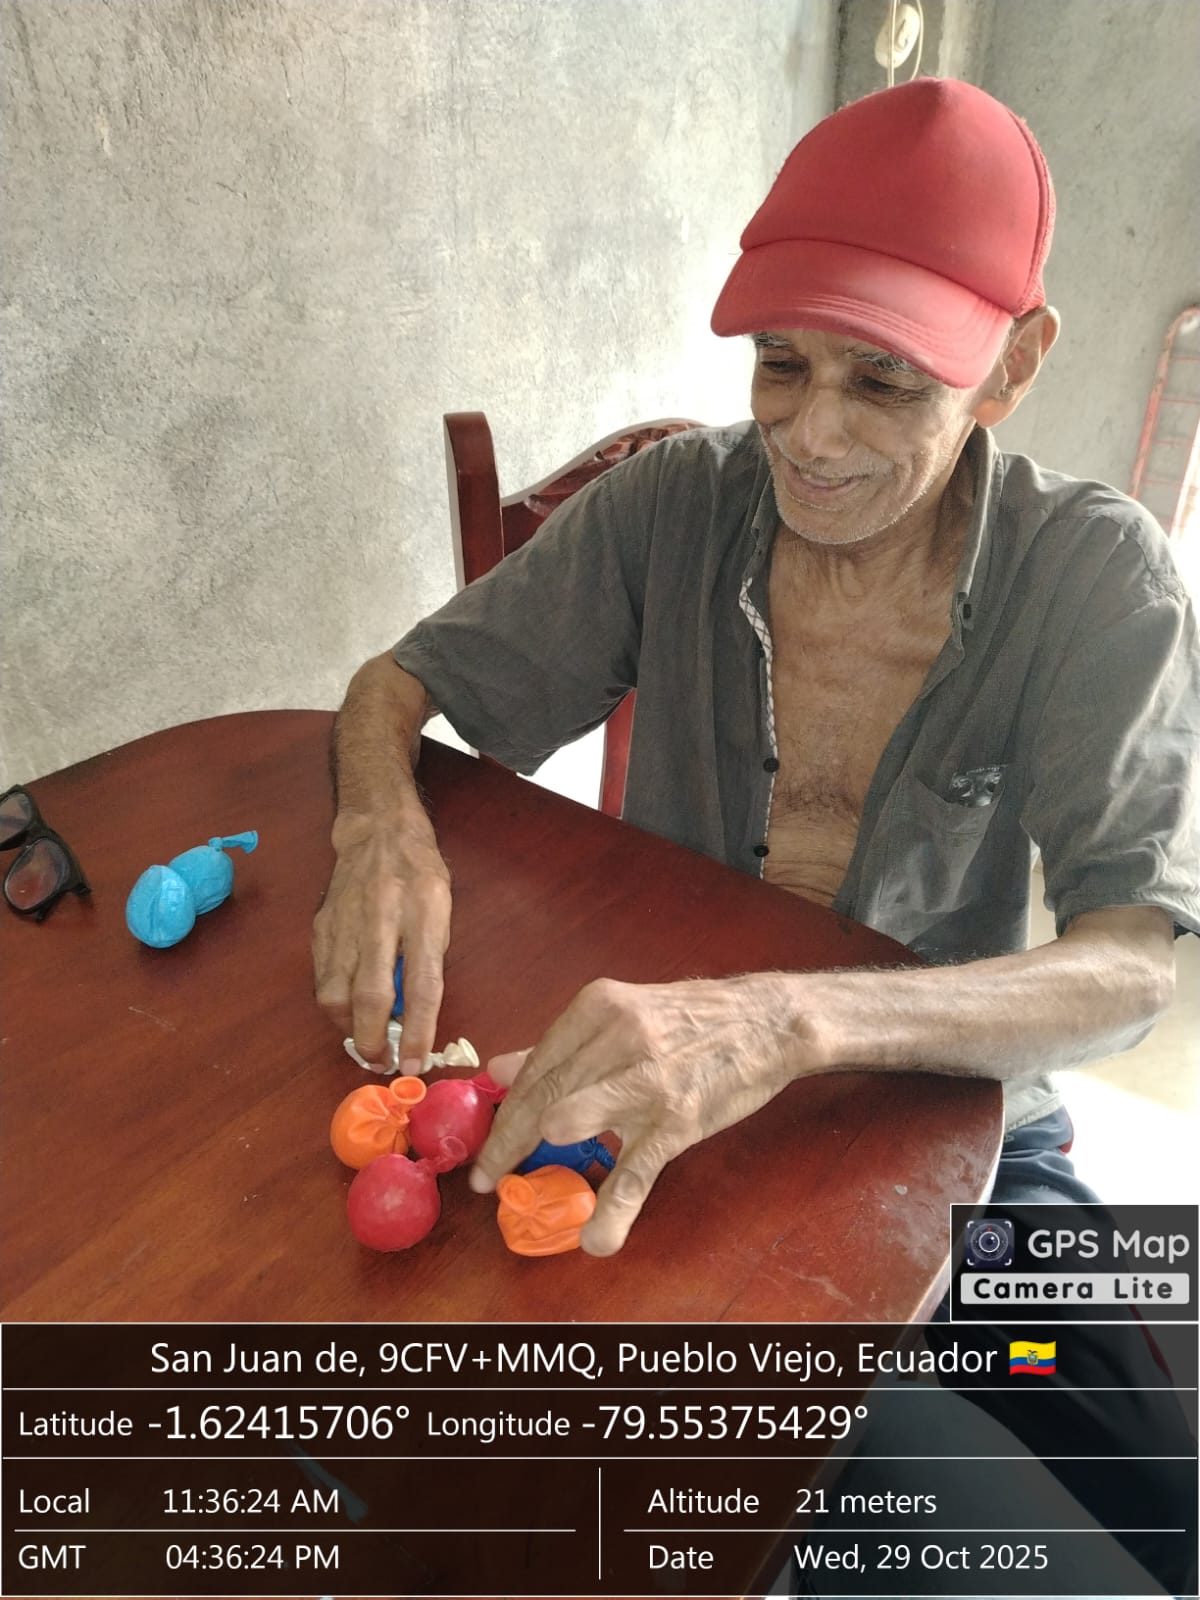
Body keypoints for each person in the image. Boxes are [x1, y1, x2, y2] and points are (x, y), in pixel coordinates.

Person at [313, 78, 1200, 1260]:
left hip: (950, 1113)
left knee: (1104, 1369)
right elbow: (397, 684)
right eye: (782, 362)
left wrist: (787, 1018)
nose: (812, 435)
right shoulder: (673, 506)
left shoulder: (1097, 577)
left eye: (885, 380)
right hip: (653, 1074)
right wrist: (379, 824)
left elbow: (1130, 969)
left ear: (1012, 365)